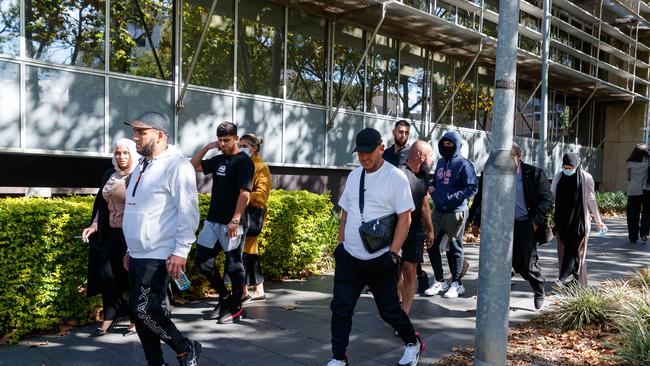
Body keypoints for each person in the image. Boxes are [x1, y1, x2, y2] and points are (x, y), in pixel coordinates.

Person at [327, 128, 424, 366]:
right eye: (360, 153)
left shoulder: (395, 177)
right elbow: (345, 214)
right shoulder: (354, 175)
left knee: (389, 310)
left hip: (380, 258)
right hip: (349, 257)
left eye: (368, 152)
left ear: (381, 148)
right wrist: (341, 245)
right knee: (341, 308)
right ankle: (339, 357)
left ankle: (413, 343)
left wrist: (392, 253)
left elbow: (405, 219)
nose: (364, 158)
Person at [122, 112, 202, 366]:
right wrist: (129, 248)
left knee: (142, 310)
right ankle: (155, 363)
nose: (135, 137)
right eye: (135, 132)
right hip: (137, 254)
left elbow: (188, 211)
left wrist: (181, 251)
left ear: (160, 135)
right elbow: (136, 209)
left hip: (159, 254)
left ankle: (185, 347)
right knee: (146, 314)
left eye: (141, 132)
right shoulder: (140, 165)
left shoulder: (177, 166)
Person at [469, 143, 553, 309]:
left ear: (518, 156)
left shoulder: (534, 174)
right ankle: (498, 304)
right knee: (507, 263)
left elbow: (547, 200)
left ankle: (539, 288)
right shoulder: (491, 174)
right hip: (503, 226)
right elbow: (481, 199)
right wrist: (476, 222)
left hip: (526, 224)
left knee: (527, 264)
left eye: (510, 157)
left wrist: (536, 222)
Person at [191, 122, 254, 324]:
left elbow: (245, 195)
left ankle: (237, 307)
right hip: (212, 220)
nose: (223, 143)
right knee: (203, 260)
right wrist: (208, 148)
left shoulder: (244, 162)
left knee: (234, 266)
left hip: (233, 223)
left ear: (236, 138)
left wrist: (235, 220)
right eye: (220, 140)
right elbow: (192, 165)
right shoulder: (217, 159)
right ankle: (224, 297)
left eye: (226, 140)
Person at [82, 138, 139, 337]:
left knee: (131, 276)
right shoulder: (109, 174)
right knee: (106, 273)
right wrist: (94, 225)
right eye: (117, 153)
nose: (121, 157)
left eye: (125, 153)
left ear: (133, 153)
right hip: (110, 233)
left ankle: (134, 319)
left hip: (131, 234)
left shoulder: (138, 175)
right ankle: (111, 313)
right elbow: (101, 205)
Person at [424, 130, 478, 299]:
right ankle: (439, 280)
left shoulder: (465, 164)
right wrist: (432, 188)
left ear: (457, 146)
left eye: (450, 145)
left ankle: (457, 283)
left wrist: (450, 198)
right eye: (444, 144)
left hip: (456, 212)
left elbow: (471, 187)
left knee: (455, 247)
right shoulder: (440, 162)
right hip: (439, 212)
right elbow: (436, 181)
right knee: (431, 244)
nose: (447, 147)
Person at [551, 152, 607, 286]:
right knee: (566, 252)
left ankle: (562, 278)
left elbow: (591, 200)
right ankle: (575, 282)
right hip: (562, 222)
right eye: (564, 167)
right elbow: (551, 196)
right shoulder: (558, 177)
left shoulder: (586, 178)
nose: (567, 170)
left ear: (577, 165)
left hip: (579, 223)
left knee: (573, 250)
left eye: (570, 168)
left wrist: (598, 221)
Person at [397, 140, 435, 314]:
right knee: (395, 273)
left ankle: (404, 313)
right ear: (421, 156)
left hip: (415, 231)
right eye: (431, 157)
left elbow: (424, 204)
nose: (432, 161)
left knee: (410, 270)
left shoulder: (424, 175)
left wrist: (430, 229)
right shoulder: (399, 173)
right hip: (396, 230)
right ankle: (397, 302)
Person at [239, 133, 271, 302]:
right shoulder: (238, 162)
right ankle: (258, 289)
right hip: (241, 214)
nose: (241, 148)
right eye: (240, 145)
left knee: (245, 252)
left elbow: (261, 196)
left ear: (254, 148)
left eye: (245, 145)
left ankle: (243, 291)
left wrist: (242, 196)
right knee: (250, 251)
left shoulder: (260, 167)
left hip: (251, 215)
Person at [625, 144, 648, 243]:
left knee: (632, 214)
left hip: (633, 190)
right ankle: (643, 232)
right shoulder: (647, 162)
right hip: (646, 190)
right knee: (647, 212)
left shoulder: (629, 163)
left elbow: (629, 178)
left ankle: (633, 236)